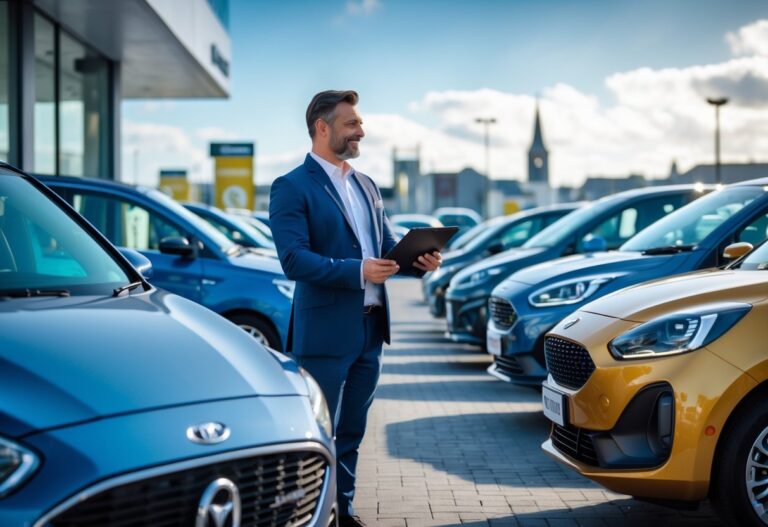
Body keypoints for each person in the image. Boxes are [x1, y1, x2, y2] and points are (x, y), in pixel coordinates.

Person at [269, 90, 441, 526]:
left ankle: (343, 513)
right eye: (351, 123)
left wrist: (418, 261)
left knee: (351, 433)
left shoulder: (366, 184)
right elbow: (294, 260)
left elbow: (386, 247)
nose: (361, 130)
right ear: (321, 127)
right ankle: (309, 516)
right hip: (324, 334)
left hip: (370, 332)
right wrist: (358, 270)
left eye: (360, 123)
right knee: (318, 435)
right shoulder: (291, 186)